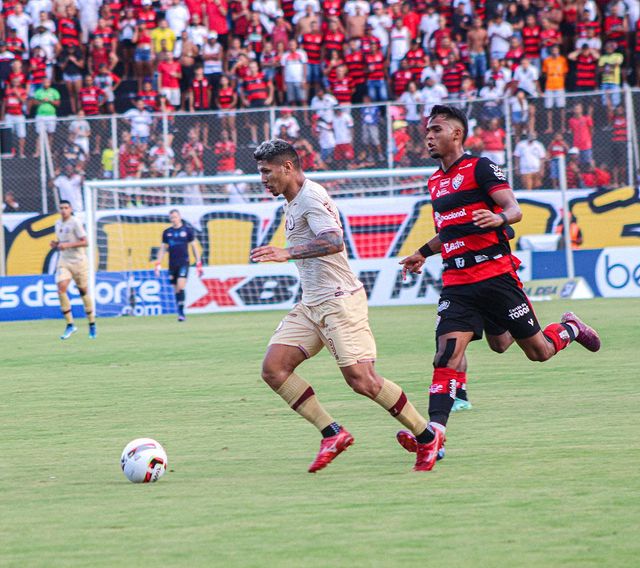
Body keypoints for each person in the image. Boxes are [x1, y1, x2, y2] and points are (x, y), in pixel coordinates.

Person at [396, 105, 600, 472]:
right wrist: (421, 253)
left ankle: (570, 327)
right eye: (426, 130)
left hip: (495, 276)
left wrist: (498, 217)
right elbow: (450, 230)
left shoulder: (481, 167)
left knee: (535, 351)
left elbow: (514, 209)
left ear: (456, 135)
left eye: (436, 129)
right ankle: (434, 436)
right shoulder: (435, 182)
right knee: (447, 355)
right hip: (457, 282)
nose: (428, 136)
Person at [250, 139, 434, 473]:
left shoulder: (311, 197)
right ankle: (332, 433)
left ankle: (425, 436)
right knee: (274, 368)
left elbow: (334, 240)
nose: (262, 179)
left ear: (287, 167)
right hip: (311, 303)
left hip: (339, 301)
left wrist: (287, 252)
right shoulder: (290, 202)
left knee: (363, 381)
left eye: (266, 171)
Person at [49, 200, 96, 340]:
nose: (63, 210)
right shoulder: (58, 224)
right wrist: (56, 244)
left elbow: (85, 242)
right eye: (61, 208)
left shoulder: (75, 222)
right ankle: (70, 324)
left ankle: (92, 323)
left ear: (70, 209)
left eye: (66, 208)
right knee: (61, 289)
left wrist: (67, 245)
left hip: (79, 262)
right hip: (64, 261)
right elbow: (61, 243)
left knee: (83, 291)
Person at [154, 209, 203, 322]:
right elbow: (163, 249)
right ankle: (180, 312)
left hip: (184, 263)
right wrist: (158, 263)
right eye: (172, 217)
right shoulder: (167, 232)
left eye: (175, 217)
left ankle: (181, 313)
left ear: (180, 217)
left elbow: (194, 247)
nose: (174, 219)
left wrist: (198, 262)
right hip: (172, 264)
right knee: (176, 290)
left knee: (181, 286)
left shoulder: (187, 231)